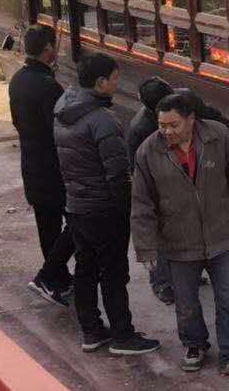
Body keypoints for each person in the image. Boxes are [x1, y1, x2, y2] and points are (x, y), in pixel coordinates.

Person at [131, 91, 229, 376]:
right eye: (162, 125)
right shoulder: (148, 151)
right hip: (178, 241)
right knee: (186, 303)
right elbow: (141, 204)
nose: (166, 131)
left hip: (220, 237)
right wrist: (146, 247)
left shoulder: (219, 137)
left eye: (173, 125)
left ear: (191, 120)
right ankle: (194, 345)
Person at [54, 53, 159, 356]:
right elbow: (117, 174)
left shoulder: (63, 109)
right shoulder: (102, 120)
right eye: (115, 79)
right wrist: (128, 210)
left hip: (76, 205)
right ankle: (123, 335)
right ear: (100, 83)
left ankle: (91, 330)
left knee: (85, 269)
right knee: (113, 272)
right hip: (104, 209)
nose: (117, 84)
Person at [125, 77, 229, 305]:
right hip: (162, 186)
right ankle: (162, 283)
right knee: (162, 233)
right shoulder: (140, 130)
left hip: (193, 173)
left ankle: (193, 270)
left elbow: (213, 116)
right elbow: (137, 170)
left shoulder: (187, 101)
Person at [8, 24, 73, 307]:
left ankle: (59, 278)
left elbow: (17, 122)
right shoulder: (48, 86)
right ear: (48, 49)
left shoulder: (18, 79)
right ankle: (47, 276)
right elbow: (60, 129)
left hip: (32, 163)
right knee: (79, 222)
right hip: (53, 168)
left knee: (48, 226)